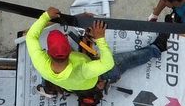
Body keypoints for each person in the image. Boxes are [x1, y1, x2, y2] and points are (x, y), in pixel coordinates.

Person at [25, 6, 167, 99]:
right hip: (93, 80)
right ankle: (157, 48)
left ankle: (50, 89)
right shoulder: (82, 70)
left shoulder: (40, 62)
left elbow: (30, 37)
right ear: (69, 50)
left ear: (48, 53)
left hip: (73, 86)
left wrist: (45, 17)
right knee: (121, 62)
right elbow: (108, 63)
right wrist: (100, 39)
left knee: (60, 81)